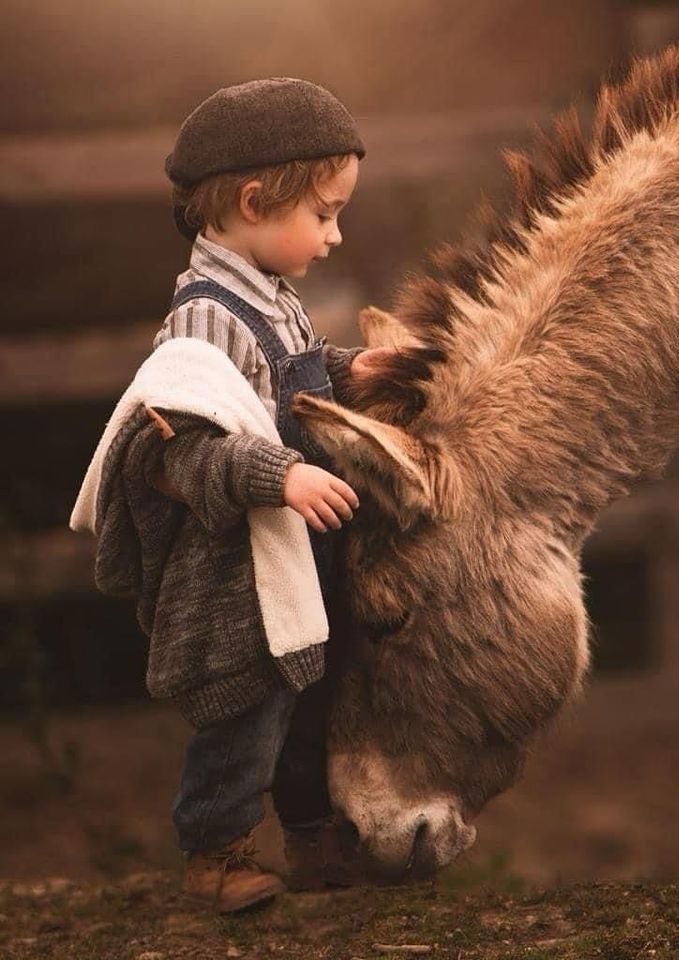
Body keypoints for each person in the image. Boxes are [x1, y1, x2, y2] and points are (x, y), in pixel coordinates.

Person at [72, 78, 390, 913]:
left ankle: (315, 842)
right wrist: (278, 474)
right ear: (255, 200)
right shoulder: (203, 322)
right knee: (248, 708)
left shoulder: (270, 298)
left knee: (317, 690)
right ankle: (215, 851)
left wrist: (362, 371)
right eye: (323, 214)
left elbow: (304, 375)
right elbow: (182, 451)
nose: (335, 233)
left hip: (297, 541)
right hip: (238, 565)